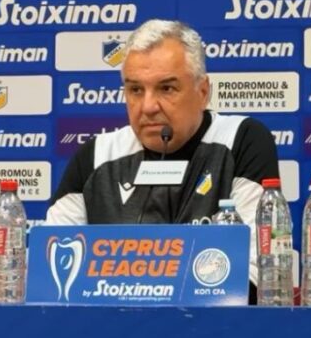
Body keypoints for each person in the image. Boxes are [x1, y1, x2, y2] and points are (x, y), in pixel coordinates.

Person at [46, 19, 281, 289]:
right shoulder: (97, 155)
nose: (148, 106)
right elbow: (50, 268)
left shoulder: (241, 140)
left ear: (203, 92)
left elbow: (256, 272)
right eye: (135, 90)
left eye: (166, 88)